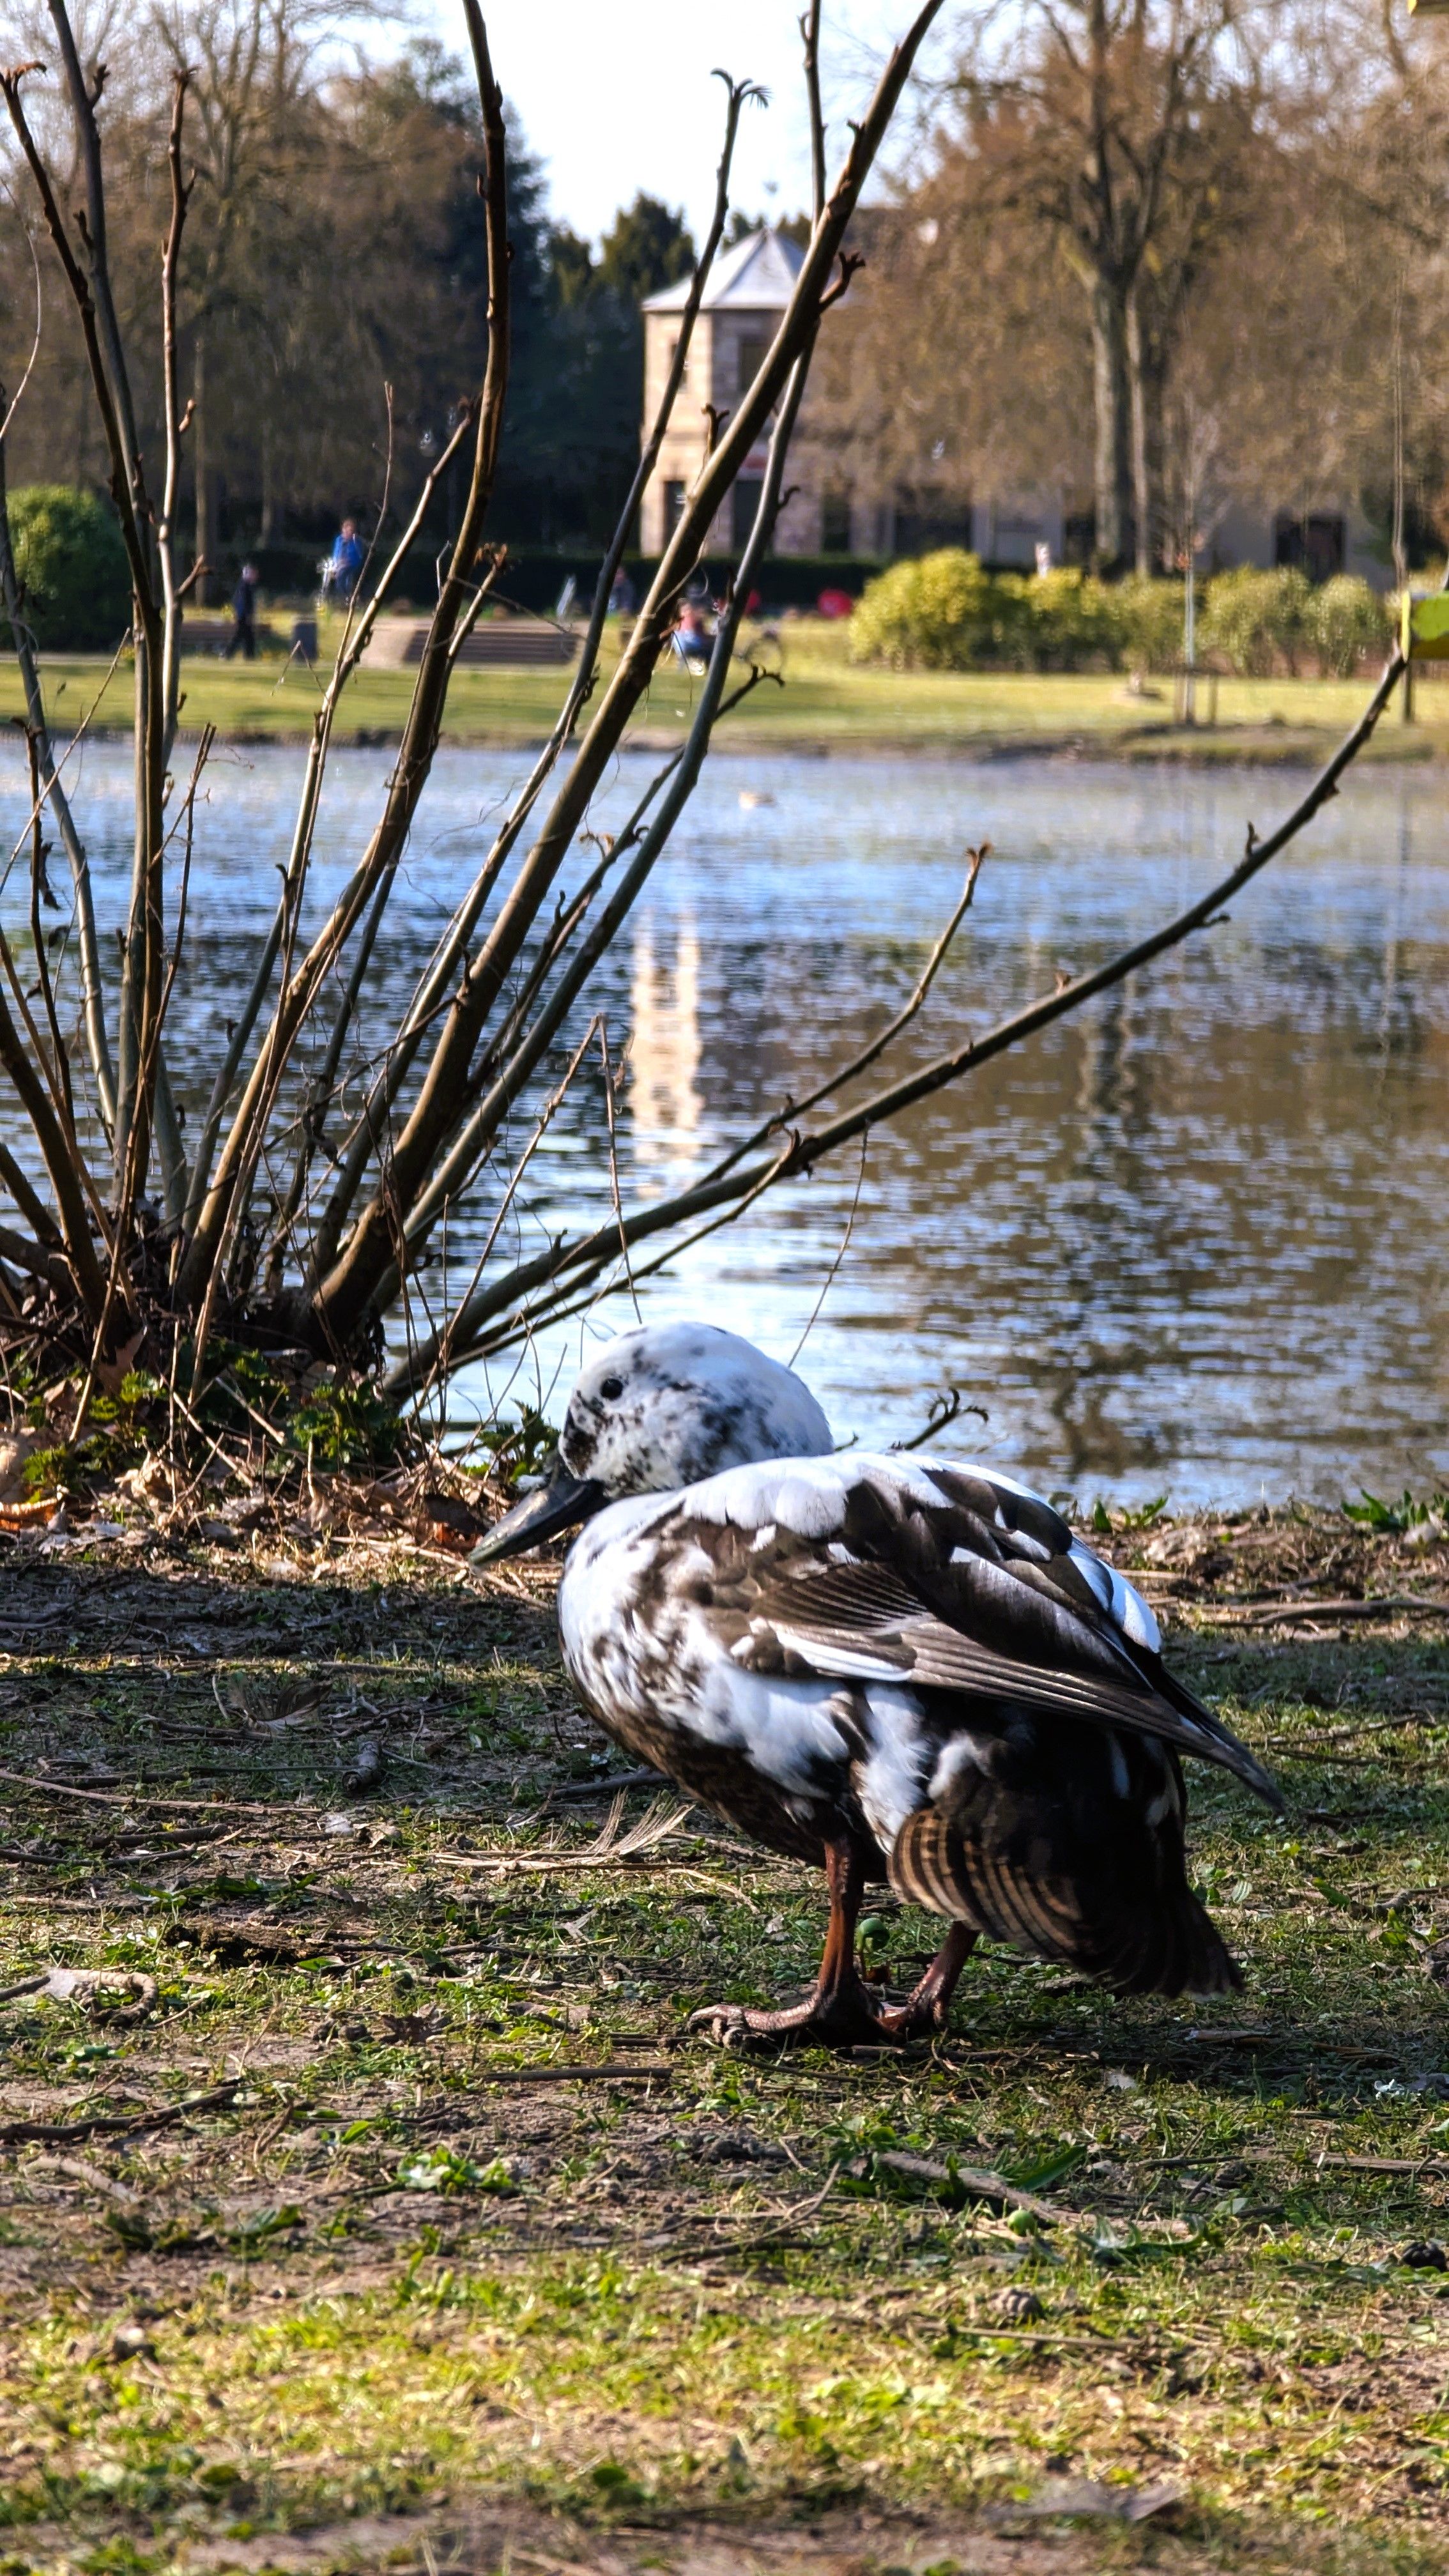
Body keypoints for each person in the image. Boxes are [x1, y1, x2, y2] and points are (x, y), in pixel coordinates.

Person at [322, 518, 365, 607]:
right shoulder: (339, 540)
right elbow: (336, 553)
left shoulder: (355, 541)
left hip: (351, 564)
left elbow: (359, 555)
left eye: (350, 530)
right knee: (328, 573)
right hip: (339, 564)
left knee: (343, 577)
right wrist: (337, 563)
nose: (347, 532)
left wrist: (347, 561)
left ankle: (346, 598)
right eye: (346, 530)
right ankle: (325, 597)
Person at [223, 562, 260, 661]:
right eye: (254, 574)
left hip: (243, 617)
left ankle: (249, 657)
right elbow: (242, 603)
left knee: (248, 638)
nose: (256, 576)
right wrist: (247, 615)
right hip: (243, 617)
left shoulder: (245, 586)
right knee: (240, 637)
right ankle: (227, 655)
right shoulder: (244, 587)